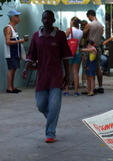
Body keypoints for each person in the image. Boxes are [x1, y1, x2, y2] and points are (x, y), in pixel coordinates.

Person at [23, 10, 72, 143]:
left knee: (54, 105)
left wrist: (67, 76)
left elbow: (66, 58)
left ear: (54, 20)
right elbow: (31, 55)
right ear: (42, 20)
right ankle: (52, 118)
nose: (46, 21)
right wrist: (25, 68)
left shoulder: (60, 35)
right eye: (44, 18)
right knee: (41, 105)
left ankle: (50, 133)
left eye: (49, 18)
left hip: (56, 76)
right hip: (42, 77)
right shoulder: (36, 36)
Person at [4, 9, 27, 94]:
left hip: (15, 53)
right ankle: (9, 88)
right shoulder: (8, 28)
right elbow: (7, 41)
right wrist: (19, 41)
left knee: (14, 69)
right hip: (10, 53)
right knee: (11, 69)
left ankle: (12, 87)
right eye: (17, 16)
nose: (18, 18)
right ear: (12, 18)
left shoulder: (13, 28)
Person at [83, 9, 104, 94]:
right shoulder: (100, 25)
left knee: (89, 68)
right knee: (98, 67)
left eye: (88, 17)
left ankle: (91, 88)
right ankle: (100, 86)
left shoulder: (89, 24)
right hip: (98, 48)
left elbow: (83, 34)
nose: (88, 18)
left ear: (90, 15)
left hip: (89, 48)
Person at [64, 17, 83, 96]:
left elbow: (64, 40)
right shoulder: (81, 32)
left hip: (69, 52)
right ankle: (76, 91)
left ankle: (67, 90)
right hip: (77, 52)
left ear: (72, 22)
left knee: (68, 71)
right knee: (76, 72)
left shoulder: (69, 29)